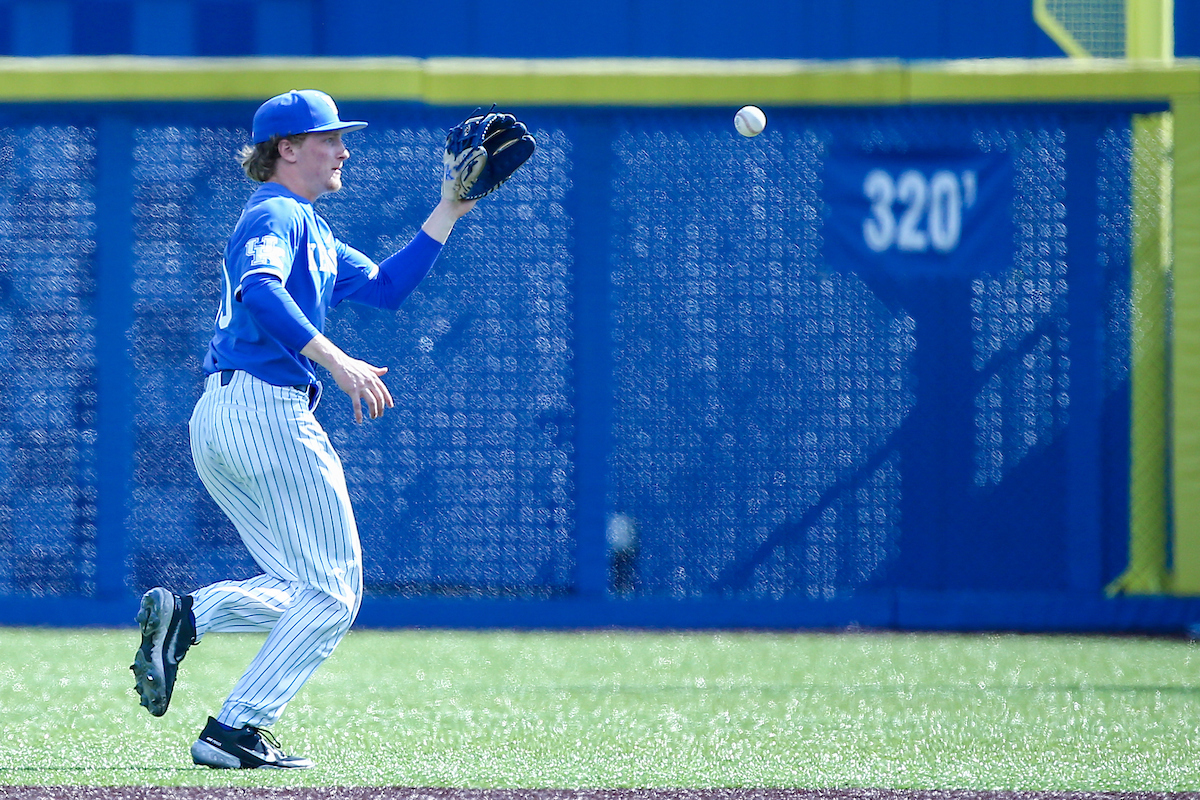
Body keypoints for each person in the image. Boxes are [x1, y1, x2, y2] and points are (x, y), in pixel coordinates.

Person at [130, 89, 478, 769]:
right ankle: (233, 731)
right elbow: (258, 289)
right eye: (329, 139)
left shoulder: (310, 229)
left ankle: (188, 615)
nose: (343, 150)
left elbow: (386, 287)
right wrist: (337, 359)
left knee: (301, 587)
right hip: (265, 410)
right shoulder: (275, 211)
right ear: (286, 150)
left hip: (226, 417)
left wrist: (450, 208)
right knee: (335, 592)